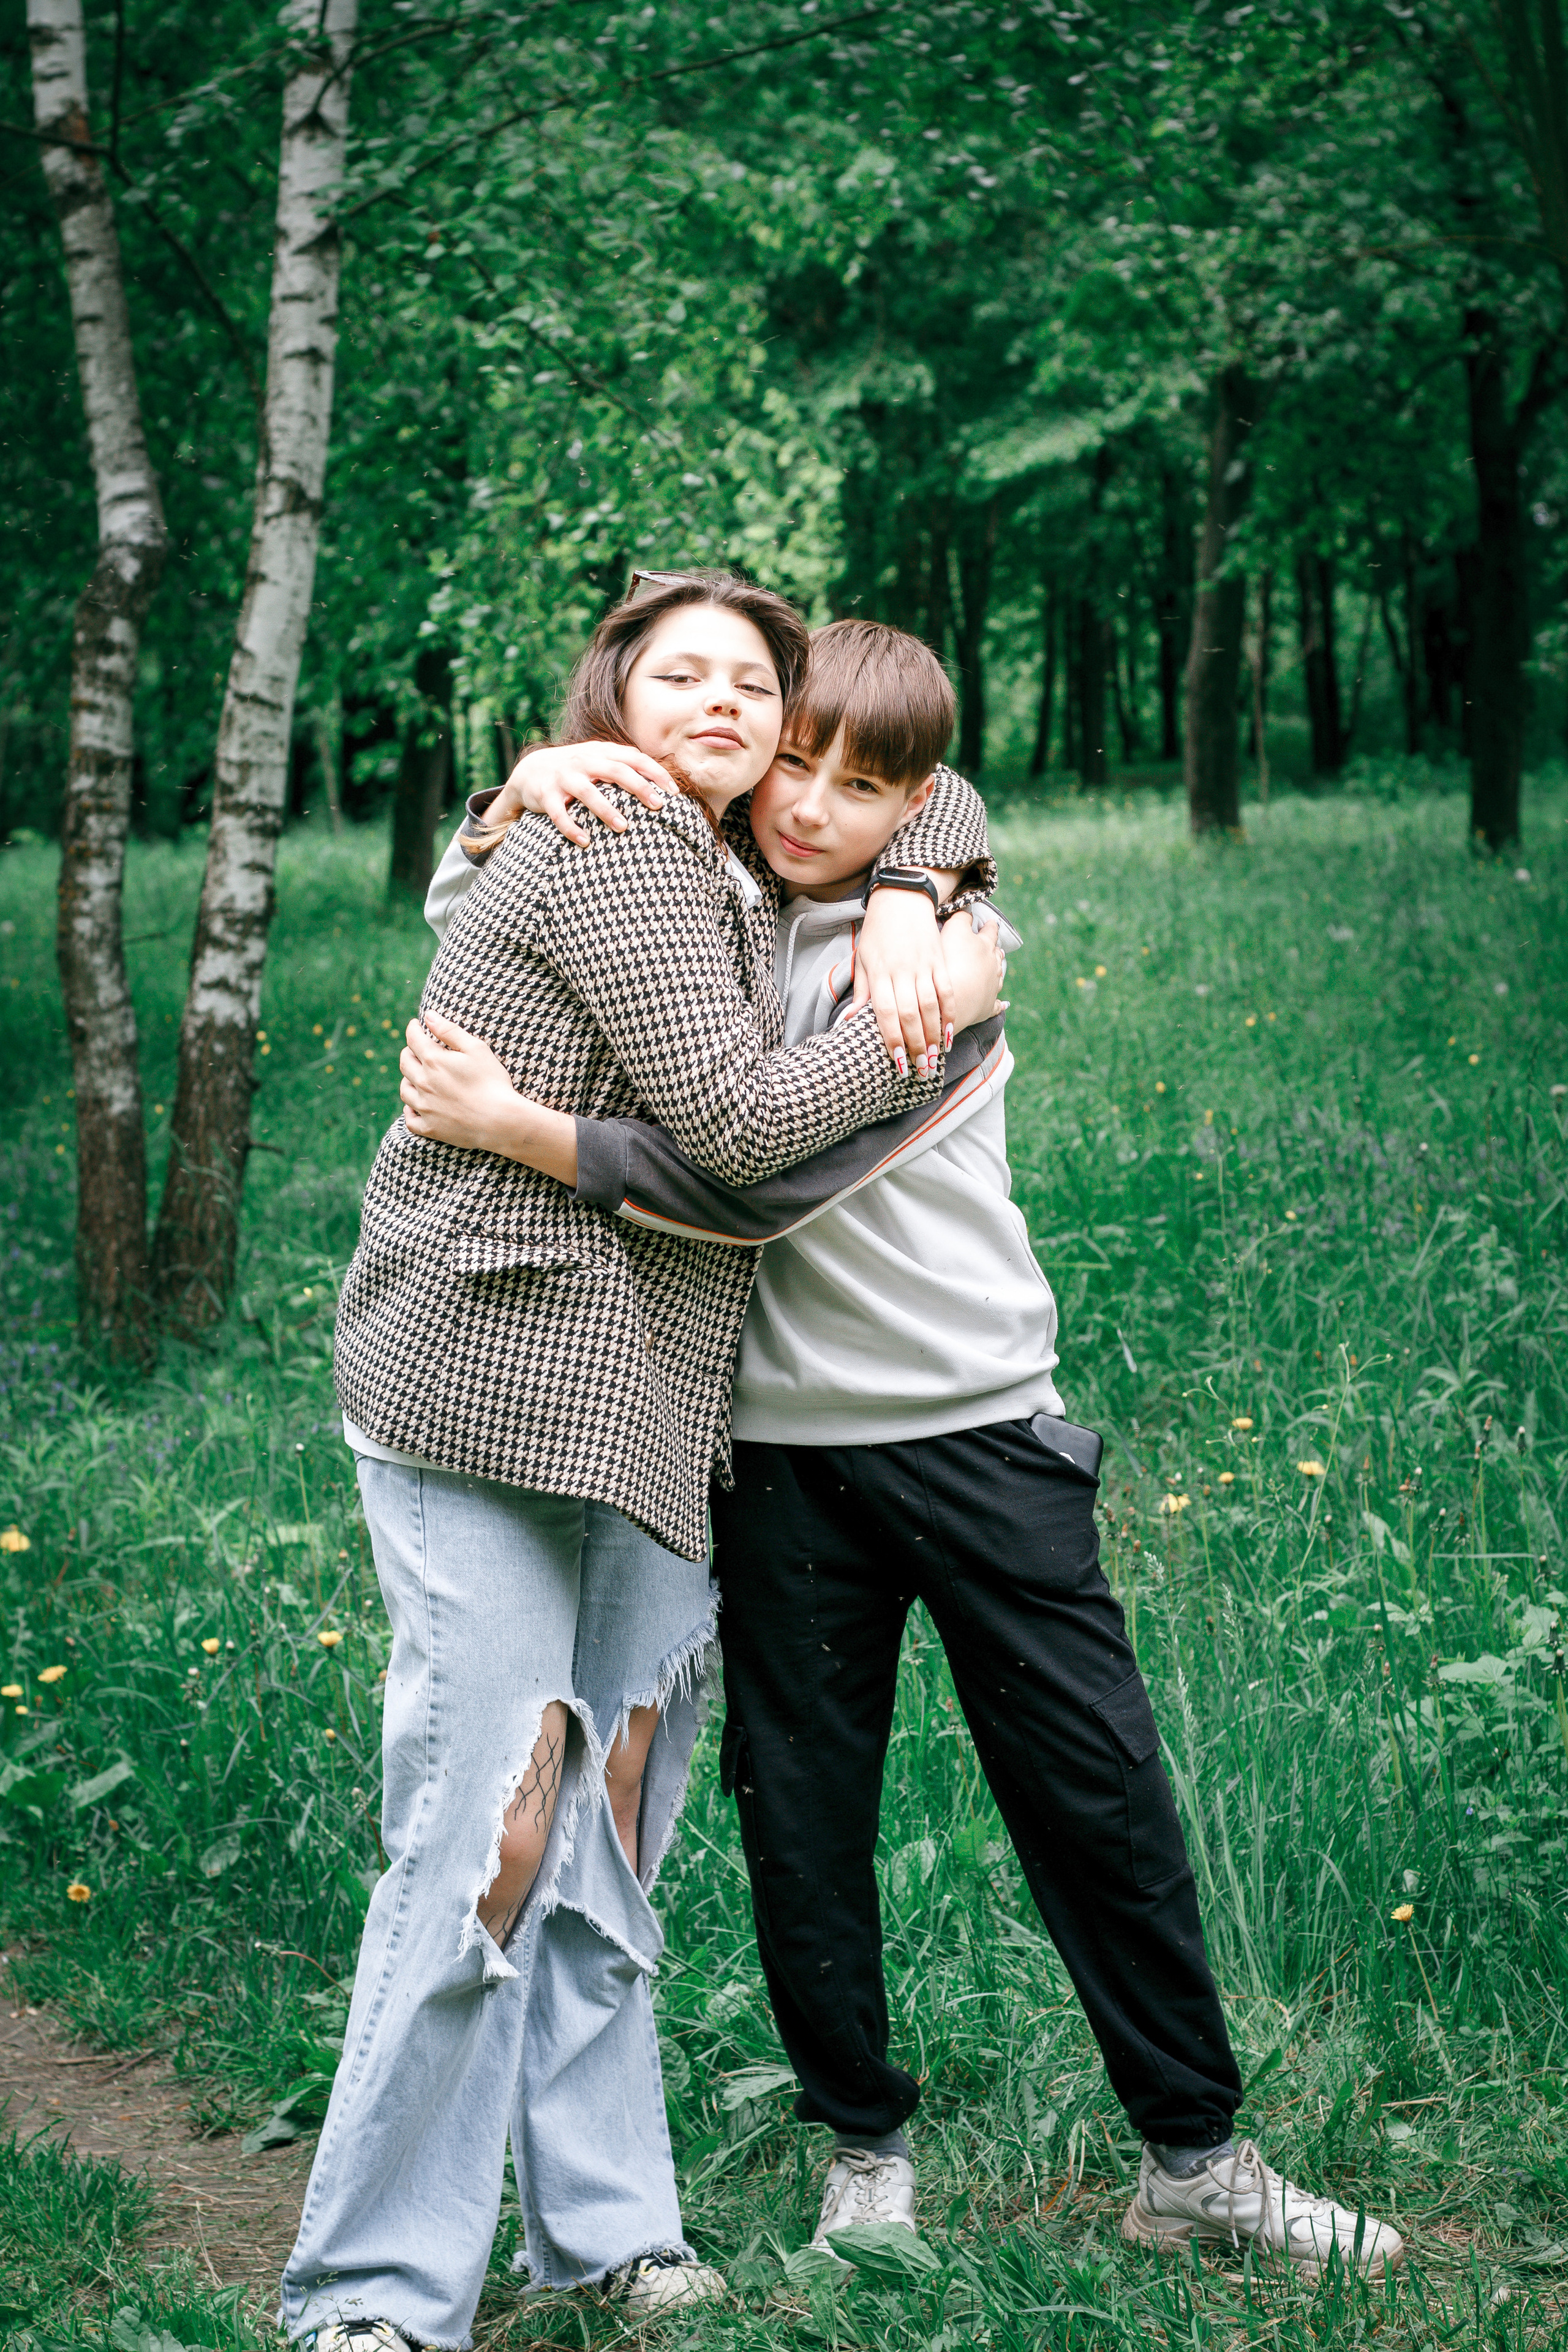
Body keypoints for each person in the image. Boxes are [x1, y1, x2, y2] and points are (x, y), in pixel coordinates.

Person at [407, 617, 1407, 2284]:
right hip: (780, 1462)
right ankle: (863, 2156)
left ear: (917, 806)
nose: (809, 806)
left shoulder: (947, 949)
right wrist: (526, 777)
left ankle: (1199, 2160)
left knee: (1098, 1795)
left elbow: (755, 1181)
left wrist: (535, 1134)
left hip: (979, 1432)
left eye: (862, 790)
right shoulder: (683, 898)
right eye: (789, 761)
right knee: (805, 1816)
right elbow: (476, 910)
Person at [281, 575, 1002, 2352]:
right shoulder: (613, 840)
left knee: (605, 1841)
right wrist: (938, 1004)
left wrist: (926, 883)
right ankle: (372, 2297)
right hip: (488, 1390)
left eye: (753, 682)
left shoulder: (740, 853)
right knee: (489, 1841)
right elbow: (747, 1126)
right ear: (610, 703)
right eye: (678, 673)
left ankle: (604, 2234)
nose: (724, 703)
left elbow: (933, 776)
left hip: (657, 1415)